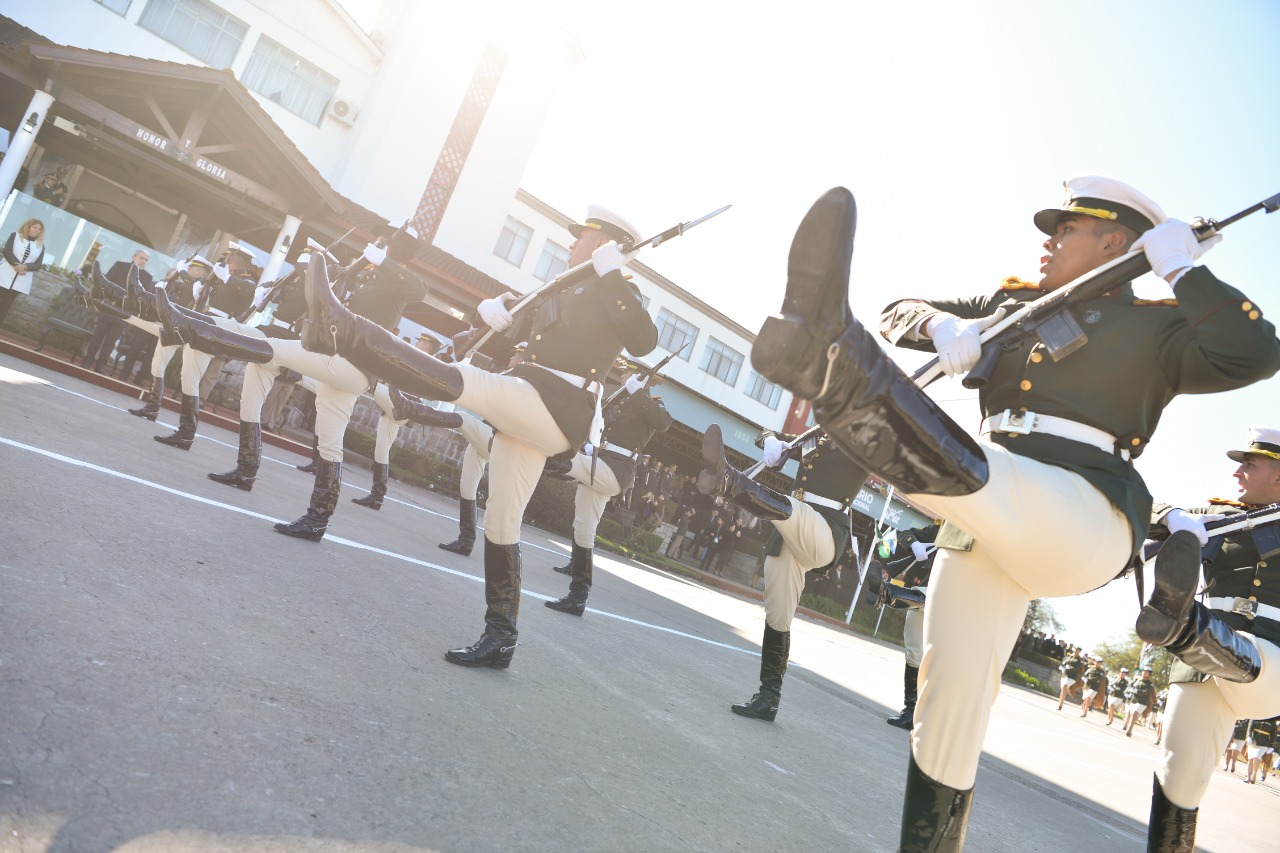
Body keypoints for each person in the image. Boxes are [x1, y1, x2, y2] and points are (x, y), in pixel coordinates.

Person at [746, 179, 1280, 850]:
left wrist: (1185, 272)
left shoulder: (1159, 325)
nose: (1049, 240)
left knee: (989, 471)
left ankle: (840, 375)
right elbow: (895, 309)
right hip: (979, 513)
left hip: (1084, 510)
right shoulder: (1012, 306)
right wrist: (940, 325)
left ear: (1116, 242)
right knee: (946, 706)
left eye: (1069, 228)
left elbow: (1256, 351)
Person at [300, 205, 658, 668]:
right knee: (501, 522)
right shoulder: (565, 288)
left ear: (606, 244)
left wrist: (613, 277)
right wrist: (501, 315)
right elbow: (528, 339)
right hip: (529, 402)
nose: (571, 244)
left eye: (581, 237)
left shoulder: (617, 288)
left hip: (558, 405)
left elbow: (644, 342)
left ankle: (345, 330)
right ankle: (501, 638)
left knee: (464, 381)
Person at [161, 230, 427, 545]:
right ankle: (310, 516)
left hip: (354, 365)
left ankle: (193, 327)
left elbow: (418, 289)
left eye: (388, 245)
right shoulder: (367, 279)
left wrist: (382, 262)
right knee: (328, 441)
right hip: (336, 361)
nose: (382, 246)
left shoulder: (397, 282)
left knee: (266, 347)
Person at [1133, 426, 1280, 849]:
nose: (1237, 473)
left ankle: (1182, 624)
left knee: (1249, 655)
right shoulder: (1219, 515)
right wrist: (1170, 518)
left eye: (1249, 465)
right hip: (1201, 665)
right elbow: (1134, 509)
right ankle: (1184, 625)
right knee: (1179, 777)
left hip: (1271, 657)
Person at [697, 421, 867, 722]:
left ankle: (730, 483)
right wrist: (772, 443)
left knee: (793, 508)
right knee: (777, 614)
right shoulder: (818, 439)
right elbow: (764, 433)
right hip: (789, 532)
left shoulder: (864, 442)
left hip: (824, 531)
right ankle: (768, 698)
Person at [545, 373, 672, 616]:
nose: (625, 376)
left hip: (616, 470)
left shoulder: (652, 403)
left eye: (631, 373)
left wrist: (639, 393)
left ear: (646, 379)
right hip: (597, 462)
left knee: (560, 458)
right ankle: (578, 597)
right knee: (584, 527)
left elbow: (663, 423)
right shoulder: (620, 399)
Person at [83, 249, 152, 373]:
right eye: (141, 258)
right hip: (108, 308)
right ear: (133, 256)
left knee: (111, 341)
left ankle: (100, 366)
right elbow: (106, 282)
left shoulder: (147, 277)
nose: (143, 261)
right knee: (97, 336)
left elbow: (143, 299)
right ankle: (87, 361)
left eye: (146, 260)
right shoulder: (120, 266)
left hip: (124, 314)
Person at [0, 218, 45, 327]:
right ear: (28, 226)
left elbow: (38, 265)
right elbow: (7, 251)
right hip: (3, 276)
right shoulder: (15, 236)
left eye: (39, 229)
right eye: (35, 227)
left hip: (19, 281)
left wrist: (25, 267)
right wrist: (18, 266)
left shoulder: (40, 246)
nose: (37, 230)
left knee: (5, 307)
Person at [1124, 667, 1157, 738]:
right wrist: (1128, 692)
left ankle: (1130, 730)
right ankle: (1126, 724)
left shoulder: (1150, 684)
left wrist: (1137, 691)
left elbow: (1147, 692)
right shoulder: (1137, 680)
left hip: (1143, 702)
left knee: (1135, 713)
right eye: (1143, 671)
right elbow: (1130, 686)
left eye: (1146, 672)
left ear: (1149, 674)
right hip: (1134, 700)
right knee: (1129, 713)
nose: (1144, 673)